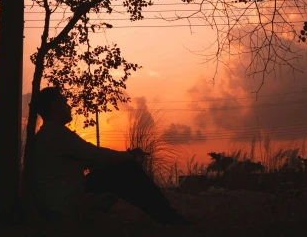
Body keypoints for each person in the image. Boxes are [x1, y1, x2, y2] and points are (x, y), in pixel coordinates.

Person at [31, 86, 191, 224]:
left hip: (59, 200)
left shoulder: (48, 134)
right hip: (64, 202)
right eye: (64, 102)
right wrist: (129, 156)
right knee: (125, 167)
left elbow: (87, 159)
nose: (68, 106)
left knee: (118, 167)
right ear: (53, 107)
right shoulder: (55, 133)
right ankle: (168, 216)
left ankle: (164, 214)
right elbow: (95, 154)